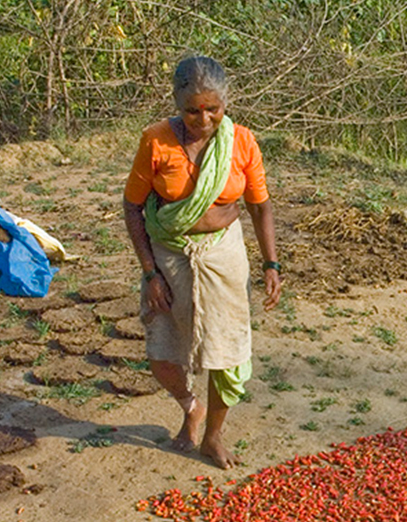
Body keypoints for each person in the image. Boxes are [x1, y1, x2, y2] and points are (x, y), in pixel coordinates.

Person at [122, 55, 282, 469]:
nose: (204, 119)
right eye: (193, 110)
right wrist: (150, 272)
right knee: (162, 352)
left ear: (225, 103)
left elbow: (260, 206)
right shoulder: (156, 141)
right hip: (169, 255)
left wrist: (271, 264)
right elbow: (132, 207)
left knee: (226, 354)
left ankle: (212, 436)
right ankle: (190, 405)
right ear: (177, 104)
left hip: (223, 255)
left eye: (213, 109)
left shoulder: (241, 142)